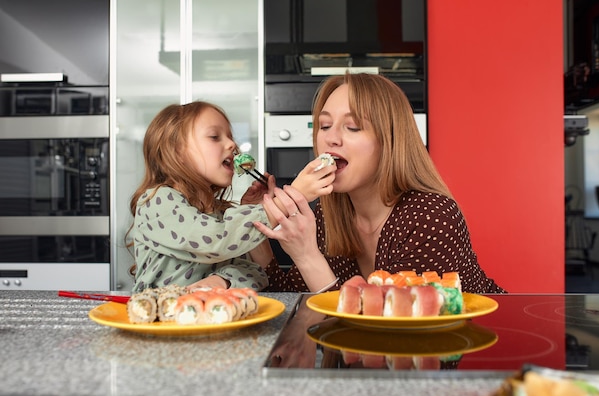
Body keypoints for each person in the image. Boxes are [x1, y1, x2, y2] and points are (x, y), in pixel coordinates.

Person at [255, 73, 506, 294]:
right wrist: (257, 227)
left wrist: (307, 255)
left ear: (390, 141)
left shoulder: (430, 217)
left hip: (482, 342)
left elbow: (393, 333)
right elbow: (293, 301)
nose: (330, 138)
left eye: (352, 127)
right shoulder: (325, 217)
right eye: (324, 125)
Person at [126, 101, 334, 292]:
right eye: (215, 137)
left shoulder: (220, 212)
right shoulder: (157, 200)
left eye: (230, 136)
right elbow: (216, 241)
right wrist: (287, 199)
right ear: (177, 151)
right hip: (158, 324)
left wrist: (222, 280)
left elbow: (255, 273)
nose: (232, 144)